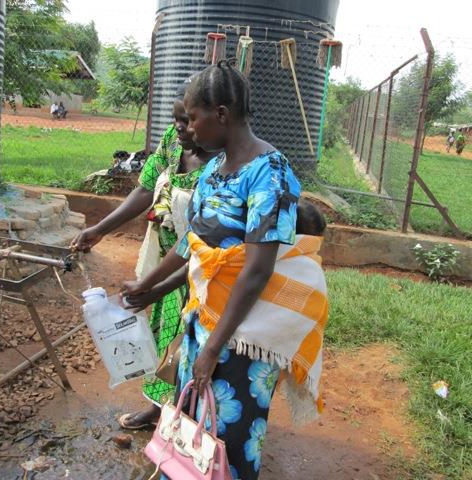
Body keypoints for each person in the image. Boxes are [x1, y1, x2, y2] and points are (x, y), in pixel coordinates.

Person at [124, 61, 328, 480]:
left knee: (228, 434)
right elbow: (194, 245)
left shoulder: (270, 172)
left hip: (243, 333)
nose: (189, 129)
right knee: (190, 424)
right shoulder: (214, 172)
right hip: (204, 320)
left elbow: (255, 269)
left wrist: (215, 348)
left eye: (193, 118)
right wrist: (149, 286)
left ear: (220, 114)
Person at [72, 79, 212, 429]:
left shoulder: (220, 165)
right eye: (176, 118)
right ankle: (160, 407)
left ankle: (188, 415)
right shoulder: (171, 142)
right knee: (164, 333)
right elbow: (145, 189)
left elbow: (203, 238)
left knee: (191, 342)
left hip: (200, 269)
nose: (179, 127)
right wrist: (99, 229)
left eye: (187, 120)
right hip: (167, 261)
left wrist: (155, 284)